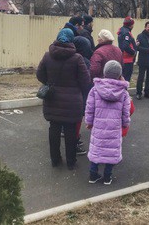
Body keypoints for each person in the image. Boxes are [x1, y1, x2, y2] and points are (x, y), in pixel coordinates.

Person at [36, 28, 91, 170]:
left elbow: (40, 75)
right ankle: (71, 162)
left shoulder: (47, 56)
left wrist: (50, 83)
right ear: (72, 40)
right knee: (71, 131)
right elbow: (86, 81)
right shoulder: (77, 58)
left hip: (52, 99)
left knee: (53, 128)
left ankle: (55, 160)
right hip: (72, 102)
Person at [85, 60, 131, 185]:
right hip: (114, 127)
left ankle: (93, 175)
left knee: (97, 149)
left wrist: (89, 122)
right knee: (111, 151)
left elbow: (90, 108)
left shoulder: (95, 89)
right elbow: (126, 111)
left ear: (105, 72)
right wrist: (125, 123)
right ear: (119, 74)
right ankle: (107, 177)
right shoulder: (123, 92)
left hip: (98, 126)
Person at [117, 16, 137, 82]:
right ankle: (124, 92)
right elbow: (125, 46)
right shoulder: (126, 33)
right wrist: (133, 52)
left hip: (124, 58)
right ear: (131, 25)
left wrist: (134, 44)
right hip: (127, 60)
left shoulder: (122, 31)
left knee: (122, 78)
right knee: (126, 79)